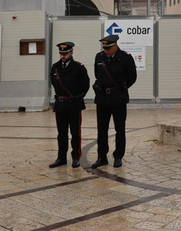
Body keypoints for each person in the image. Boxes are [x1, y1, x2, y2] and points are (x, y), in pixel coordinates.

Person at [91, 34, 137, 169]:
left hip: (118, 99)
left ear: (115, 45)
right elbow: (97, 74)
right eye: (105, 48)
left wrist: (119, 89)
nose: (106, 51)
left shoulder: (125, 58)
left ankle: (118, 156)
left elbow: (132, 78)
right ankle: (102, 156)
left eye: (109, 48)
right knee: (102, 129)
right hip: (103, 99)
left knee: (120, 129)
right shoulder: (99, 57)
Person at [49, 41, 90, 168]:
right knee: (61, 133)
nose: (63, 56)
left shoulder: (79, 68)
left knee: (75, 133)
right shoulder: (55, 67)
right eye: (61, 53)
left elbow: (85, 85)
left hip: (74, 105)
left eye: (65, 53)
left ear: (71, 53)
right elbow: (54, 83)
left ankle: (76, 157)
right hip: (60, 105)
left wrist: (77, 98)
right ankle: (61, 158)